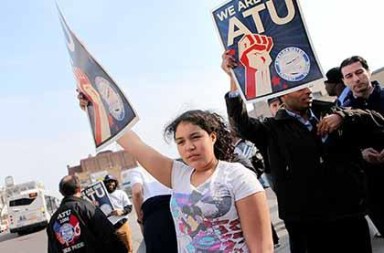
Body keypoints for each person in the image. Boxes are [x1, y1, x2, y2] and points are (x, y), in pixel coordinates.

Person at [222, 50, 384, 253]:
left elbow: (376, 121)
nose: (307, 91)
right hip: (305, 221)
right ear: (282, 96)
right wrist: (234, 78)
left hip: (348, 213)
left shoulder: (333, 110)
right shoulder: (271, 129)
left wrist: (343, 117)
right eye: (298, 89)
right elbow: (240, 124)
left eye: (307, 85)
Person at [78, 94, 274, 253]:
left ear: (212, 137)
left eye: (195, 137)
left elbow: (262, 247)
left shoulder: (237, 176)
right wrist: (96, 109)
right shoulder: (178, 175)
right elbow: (135, 145)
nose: (189, 147)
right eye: (181, 142)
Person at [340, 55, 384, 238]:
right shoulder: (343, 112)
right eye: (349, 76)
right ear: (344, 81)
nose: (356, 79)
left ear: (368, 72)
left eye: (359, 72)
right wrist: (361, 153)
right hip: (373, 187)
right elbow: (343, 148)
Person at [47, 175, 126, 253]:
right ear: (79, 188)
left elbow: (52, 249)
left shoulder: (53, 220)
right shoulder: (88, 208)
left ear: (61, 192)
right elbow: (109, 236)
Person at [128, 166, 177, 252]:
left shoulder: (137, 171)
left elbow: (137, 192)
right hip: (173, 209)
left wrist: (140, 219)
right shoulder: (169, 165)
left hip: (153, 214)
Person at [103, 174, 134, 253]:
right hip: (109, 229)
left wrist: (122, 212)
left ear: (115, 182)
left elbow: (129, 207)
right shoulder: (101, 198)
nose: (110, 184)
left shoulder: (121, 193)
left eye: (111, 181)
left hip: (122, 225)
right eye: (107, 182)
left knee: (129, 250)